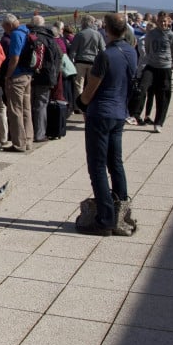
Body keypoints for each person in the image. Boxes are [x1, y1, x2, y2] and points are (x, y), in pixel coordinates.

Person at [75, 13, 136, 237]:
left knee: (98, 166)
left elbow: (90, 90)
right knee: (116, 162)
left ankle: (105, 219)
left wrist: (80, 103)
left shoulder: (105, 56)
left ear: (106, 30)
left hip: (100, 113)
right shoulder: (131, 51)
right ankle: (122, 212)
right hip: (120, 112)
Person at [139, 12, 173, 133]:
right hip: (151, 66)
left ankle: (158, 122)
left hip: (165, 67)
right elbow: (147, 48)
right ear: (157, 22)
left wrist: (170, 64)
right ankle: (136, 113)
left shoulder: (172, 36)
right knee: (142, 87)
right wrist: (150, 59)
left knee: (163, 95)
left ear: (168, 22)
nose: (162, 23)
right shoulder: (151, 34)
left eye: (164, 21)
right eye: (160, 21)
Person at [1, 13, 34, 152]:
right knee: (26, 109)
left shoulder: (15, 35)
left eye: (5, 28)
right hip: (28, 75)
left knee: (15, 110)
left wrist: (8, 76)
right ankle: (28, 141)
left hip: (17, 76)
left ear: (9, 25)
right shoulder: (26, 31)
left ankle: (18, 143)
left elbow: (14, 58)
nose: (5, 31)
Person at [27, 15, 61, 143]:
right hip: (46, 75)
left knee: (28, 104)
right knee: (41, 105)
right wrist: (54, 77)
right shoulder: (49, 39)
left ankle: (28, 132)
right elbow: (57, 58)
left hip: (30, 74)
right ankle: (39, 134)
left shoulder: (29, 37)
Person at [68, 15, 106, 112]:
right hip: (93, 61)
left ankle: (78, 106)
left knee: (78, 85)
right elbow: (103, 49)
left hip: (80, 61)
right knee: (91, 85)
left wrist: (71, 62)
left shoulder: (80, 34)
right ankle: (90, 103)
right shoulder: (97, 34)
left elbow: (73, 51)